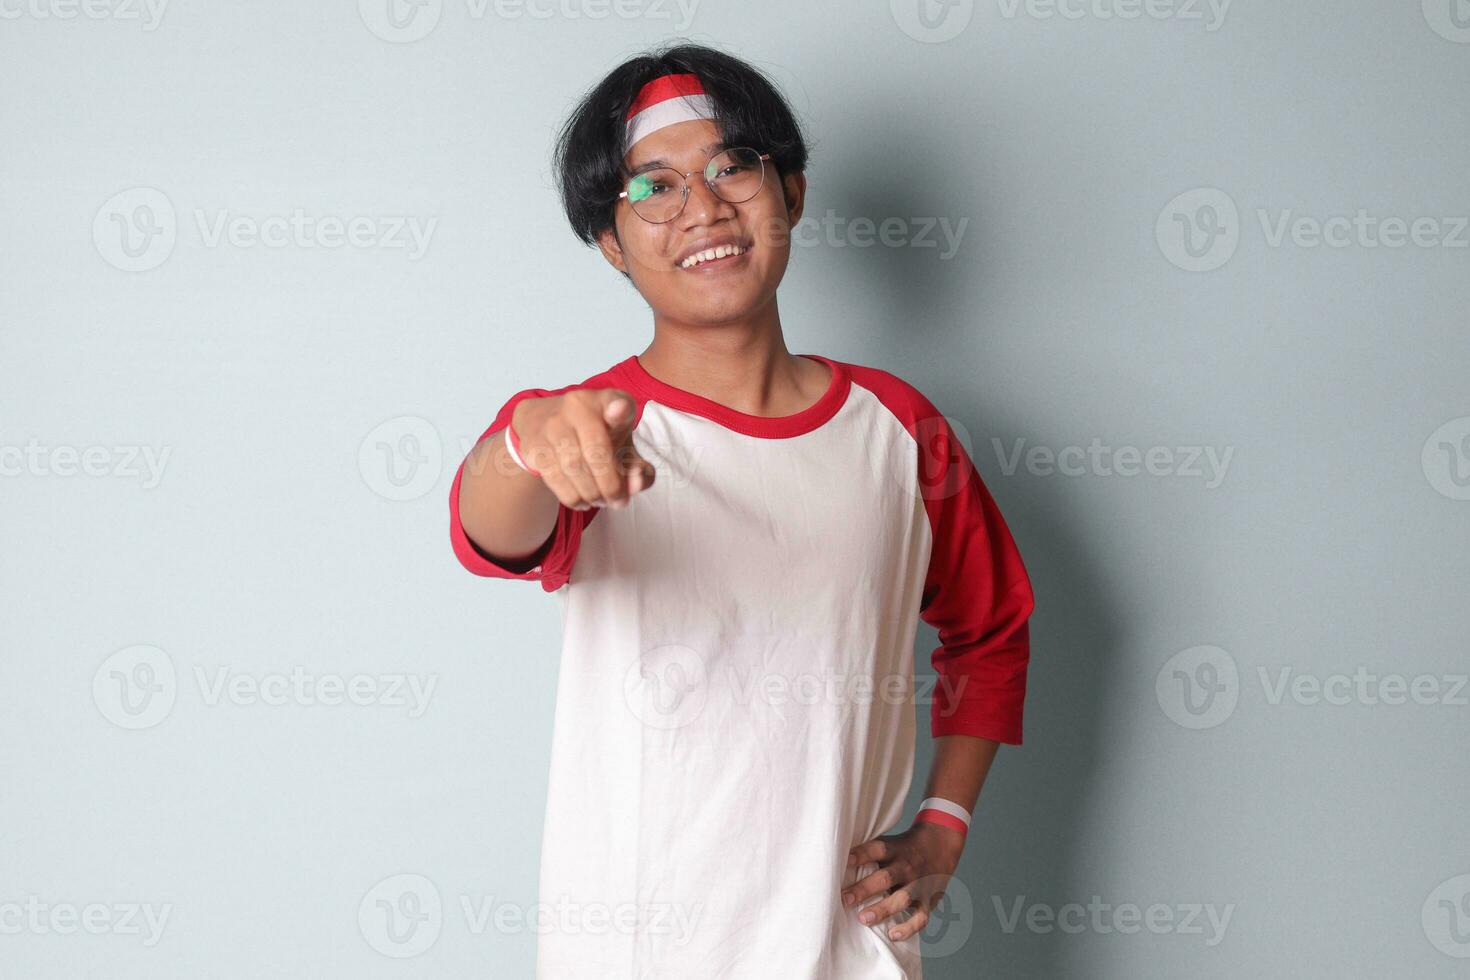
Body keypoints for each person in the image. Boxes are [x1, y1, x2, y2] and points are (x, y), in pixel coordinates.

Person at [449, 41, 1036, 980]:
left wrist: (944, 826)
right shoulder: (589, 425)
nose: (705, 208)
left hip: (847, 951)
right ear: (611, 242)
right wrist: (524, 442)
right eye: (655, 189)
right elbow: (490, 530)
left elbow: (993, 632)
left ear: (790, 194)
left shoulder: (899, 428)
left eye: (733, 167)